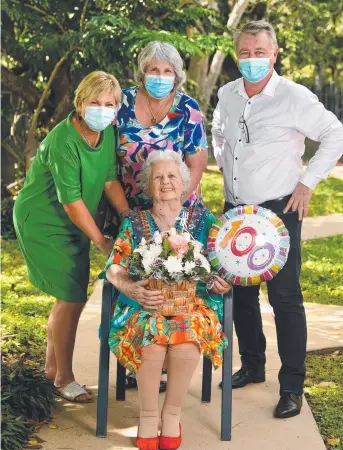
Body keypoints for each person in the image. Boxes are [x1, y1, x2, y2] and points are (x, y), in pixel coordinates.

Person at [212, 20, 343, 419]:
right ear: (238, 55)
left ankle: (291, 387)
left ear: (274, 53)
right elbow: (220, 137)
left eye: (260, 52)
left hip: (279, 212)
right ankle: (252, 365)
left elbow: (335, 134)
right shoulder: (227, 94)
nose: (252, 59)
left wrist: (306, 183)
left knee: (284, 298)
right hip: (236, 211)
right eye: (246, 52)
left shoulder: (293, 96)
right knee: (242, 296)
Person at [13, 71, 129, 403]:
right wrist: (101, 241)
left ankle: (53, 369)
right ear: (80, 103)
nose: (102, 109)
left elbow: (108, 181)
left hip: (75, 220)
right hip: (44, 219)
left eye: (110, 104)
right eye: (95, 102)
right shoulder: (64, 140)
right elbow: (71, 201)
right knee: (71, 296)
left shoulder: (105, 134)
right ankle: (64, 377)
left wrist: (127, 216)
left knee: (73, 294)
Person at [104, 150, 231, 450]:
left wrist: (221, 283)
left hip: (194, 303)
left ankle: (171, 414)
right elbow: (114, 267)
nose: (165, 182)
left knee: (187, 336)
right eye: (158, 177)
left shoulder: (204, 220)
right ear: (148, 186)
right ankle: (148, 416)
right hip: (143, 301)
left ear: (184, 184)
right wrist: (130, 288)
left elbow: (220, 265)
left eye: (172, 176)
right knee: (152, 336)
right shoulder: (134, 223)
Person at [111, 40, 209, 390]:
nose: (160, 76)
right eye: (154, 70)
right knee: (133, 279)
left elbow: (197, 163)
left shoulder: (188, 109)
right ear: (143, 71)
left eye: (168, 71)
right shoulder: (120, 102)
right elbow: (108, 162)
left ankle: (169, 356)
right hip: (130, 209)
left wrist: (174, 205)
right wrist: (128, 213)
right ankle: (138, 349)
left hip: (178, 208)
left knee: (175, 278)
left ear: (177, 76)